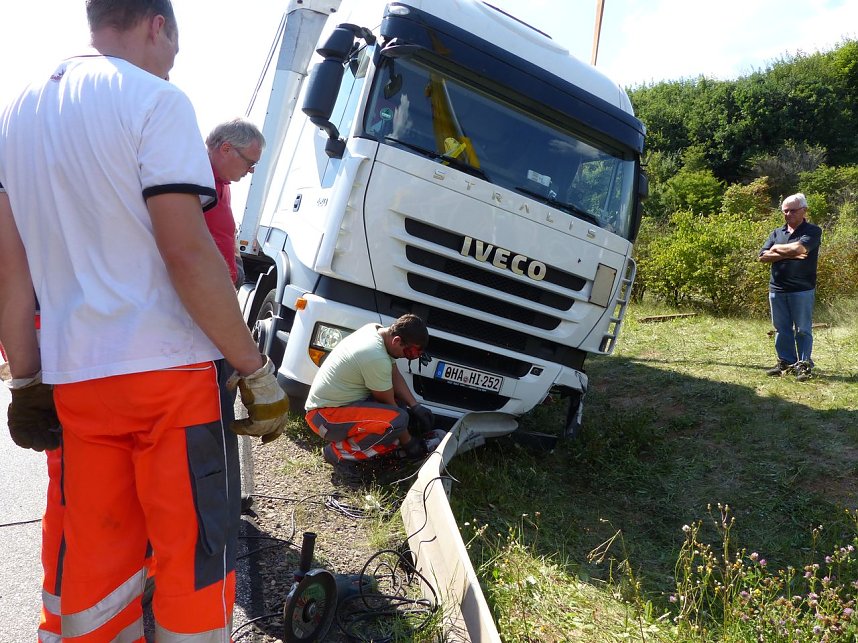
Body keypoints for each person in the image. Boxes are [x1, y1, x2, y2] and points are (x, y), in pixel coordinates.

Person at [0, 1, 289, 640]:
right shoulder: (157, 102)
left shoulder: (15, 114)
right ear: (158, 25)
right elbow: (186, 253)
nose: (169, 65)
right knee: (192, 557)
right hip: (171, 380)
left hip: (77, 379)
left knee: (96, 562)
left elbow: (10, 272)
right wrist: (254, 368)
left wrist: (26, 381)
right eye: (173, 51)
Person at [304, 314, 439, 466]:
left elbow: (395, 375)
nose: (407, 357)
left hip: (333, 409)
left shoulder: (376, 331)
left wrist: (415, 406)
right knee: (397, 420)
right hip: (325, 418)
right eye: (408, 353)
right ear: (397, 341)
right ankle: (338, 454)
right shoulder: (375, 357)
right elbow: (391, 408)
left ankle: (373, 449)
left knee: (401, 412)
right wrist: (410, 444)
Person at [758, 192, 823, 382]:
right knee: (781, 328)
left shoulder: (812, 231)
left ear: (804, 210)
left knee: (803, 329)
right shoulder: (777, 233)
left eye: (792, 211)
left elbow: (800, 249)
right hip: (777, 289)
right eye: (784, 211)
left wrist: (776, 249)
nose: (788, 214)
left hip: (802, 288)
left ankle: (804, 365)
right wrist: (789, 252)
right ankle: (785, 362)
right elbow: (762, 256)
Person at [205, 118, 265, 289]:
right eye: (250, 162)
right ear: (226, 149)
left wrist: (236, 270)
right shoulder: (194, 179)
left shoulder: (223, 183)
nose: (252, 169)